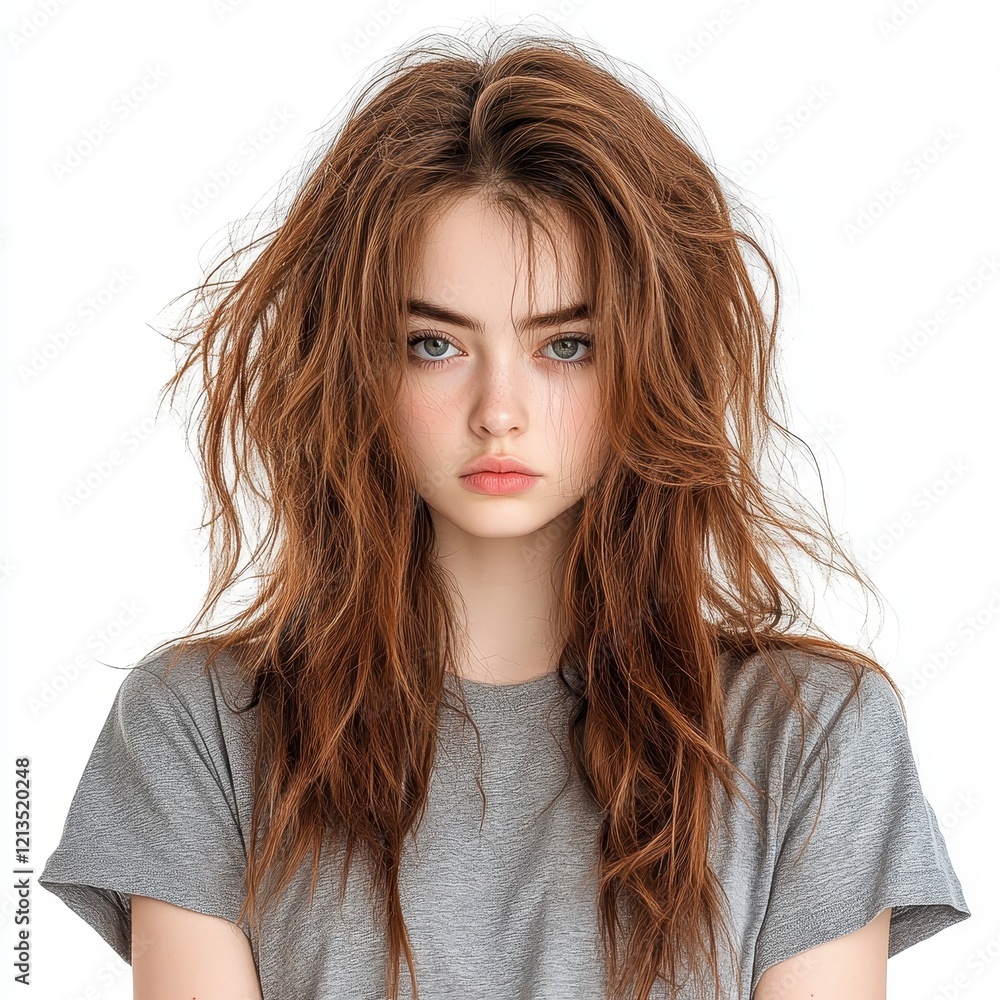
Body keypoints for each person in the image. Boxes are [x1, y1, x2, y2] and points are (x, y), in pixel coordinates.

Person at [40, 24, 969, 1000]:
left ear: (650, 360)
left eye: (564, 345)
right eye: (434, 345)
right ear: (358, 364)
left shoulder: (808, 738)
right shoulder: (201, 729)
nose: (499, 410)